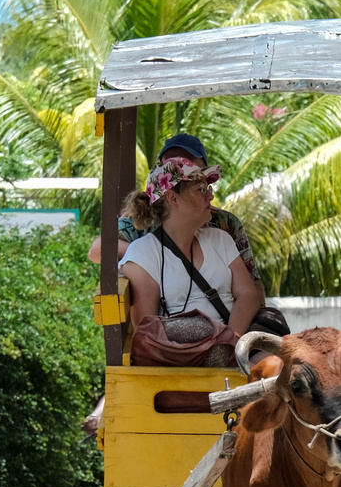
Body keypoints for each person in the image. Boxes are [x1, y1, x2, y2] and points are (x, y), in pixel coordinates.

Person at [119, 155, 264, 367]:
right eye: (201, 190)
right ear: (173, 199)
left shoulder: (220, 239)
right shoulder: (142, 255)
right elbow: (148, 334)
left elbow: (248, 295)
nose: (210, 197)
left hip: (235, 347)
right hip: (183, 358)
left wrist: (232, 343)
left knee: (285, 369)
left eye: (208, 189)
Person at [88, 133, 260, 282]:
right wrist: (150, 255)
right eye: (171, 163)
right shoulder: (145, 218)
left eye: (187, 162)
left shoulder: (225, 223)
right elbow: (97, 250)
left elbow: (251, 284)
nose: (180, 166)